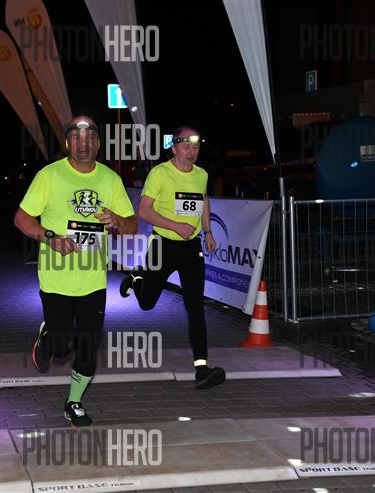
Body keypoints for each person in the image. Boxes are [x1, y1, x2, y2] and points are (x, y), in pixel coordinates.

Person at [14, 116, 137, 426]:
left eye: (91, 137)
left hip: (93, 281)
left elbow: (132, 225)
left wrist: (118, 221)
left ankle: (74, 402)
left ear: (98, 143)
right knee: (61, 348)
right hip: (56, 278)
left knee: (87, 346)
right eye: (77, 138)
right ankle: (47, 336)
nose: (84, 143)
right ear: (68, 143)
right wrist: (50, 237)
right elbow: (21, 218)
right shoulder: (50, 175)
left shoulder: (110, 179)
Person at [119, 126, 226, 390]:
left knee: (195, 307)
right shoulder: (160, 173)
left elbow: (203, 200)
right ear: (174, 148)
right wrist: (175, 225)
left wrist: (208, 231)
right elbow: (144, 211)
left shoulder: (201, 174)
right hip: (162, 246)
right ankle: (137, 278)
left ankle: (202, 369)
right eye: (186, 147)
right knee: (147, 303)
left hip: (191, 248)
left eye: (196, 147)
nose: (192, 152)